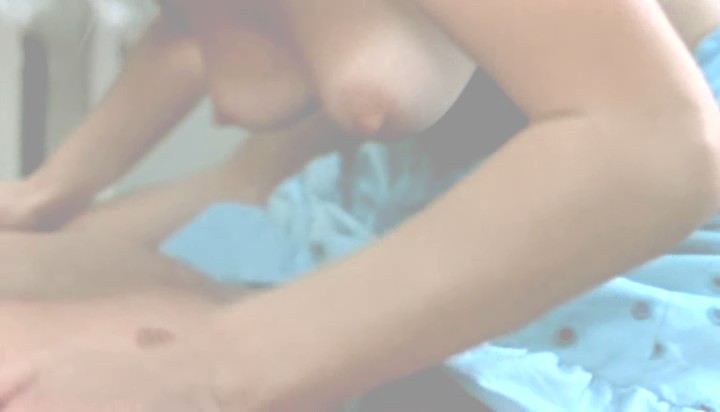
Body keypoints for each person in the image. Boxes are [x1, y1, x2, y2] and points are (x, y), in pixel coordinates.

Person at [0, 0, 718, 410]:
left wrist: (210, 371)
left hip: (642, 261)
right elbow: (246, 182)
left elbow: (656, 144)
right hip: (411, 201)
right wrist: (54, 194)